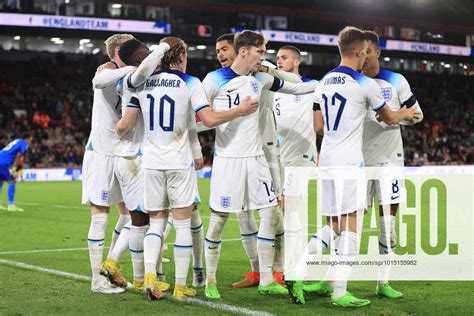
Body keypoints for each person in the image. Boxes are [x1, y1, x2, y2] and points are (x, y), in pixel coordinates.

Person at [115, 37, 259, 300]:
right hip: (179, 163)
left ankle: (150, 275)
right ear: (180, 58)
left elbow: (126, 121)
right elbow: (209, 119)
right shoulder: (190, 82)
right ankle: (181, 286)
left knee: (156, 225)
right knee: (182, 227)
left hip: (151, 163)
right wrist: (240, 110)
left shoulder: (141, 81)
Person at [287, 26, 420, 306]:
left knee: (333, 225)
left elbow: (318, 126)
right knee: (349, 227)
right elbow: (391, 118)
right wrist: (406, 112)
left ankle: (297, 270)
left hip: (328, 160)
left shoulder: (323, 82)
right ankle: (338, 292)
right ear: (359, 51)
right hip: (351, 162)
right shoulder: (365, 84)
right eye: (364, 52)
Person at [202, 30, 318, 299]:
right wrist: (235, 113)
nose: (264, 58)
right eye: (260, 52)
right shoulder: (213, 80)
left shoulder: (261, 80)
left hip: (257, 160)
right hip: (228, 161)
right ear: (244, 51)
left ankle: (266, 278)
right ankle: (209, 281)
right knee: (218, 221)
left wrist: (331, 81)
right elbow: (199, 120)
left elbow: (299, 86)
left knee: (270, 212)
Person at [99, 37, 176, 293]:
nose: (148, 58)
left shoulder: (137, 79)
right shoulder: (134, 76)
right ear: (135, 60)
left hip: (128, 157)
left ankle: (139, 277)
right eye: (143, 54)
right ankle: (127, 269)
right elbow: (124, 125)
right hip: (135, 158)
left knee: (139, 220)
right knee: (150, 219)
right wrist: (163, 47)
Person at [361, 30, 423, 298]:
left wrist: (393, 117)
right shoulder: (353, 82)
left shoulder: (396, 80)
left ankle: (382, 283)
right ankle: (333, 282)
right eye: (359, 51)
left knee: (387, 224)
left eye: (367, 51)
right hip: (358, 162)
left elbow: (417, 115)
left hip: (390, 161)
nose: (363, 55)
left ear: (377, 52)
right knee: (348, 224)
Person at [82, 33, 136, 294]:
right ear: (119, 50)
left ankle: (111, 265)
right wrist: (134, 67)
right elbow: (98, 80)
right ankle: (96, 279)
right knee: (100, 216)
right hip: (101, 152)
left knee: (131, 214)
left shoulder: (130, 76)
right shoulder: (108, 69)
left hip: (122, 152)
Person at [0, 133, 32, 212]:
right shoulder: (24, 143)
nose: (31, 141)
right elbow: (18, 156)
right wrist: (13, 169)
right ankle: (11, 205)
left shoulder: (17, 141)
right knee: (12, 181)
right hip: (2, 163)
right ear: (27, 138)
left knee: (0, 181)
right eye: (31, 139)